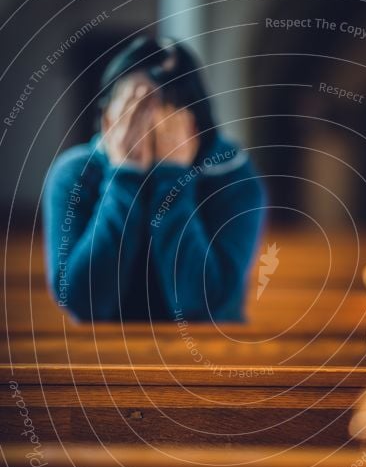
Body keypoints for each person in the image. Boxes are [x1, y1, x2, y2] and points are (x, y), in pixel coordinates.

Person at [43, 36, 265, 322]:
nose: (145, 130)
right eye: (131, 113)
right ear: (107, 121)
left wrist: (172, 178)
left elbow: (202, 306)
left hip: (211, 355)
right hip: (101, 356)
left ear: (194, 126)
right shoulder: (74, 174)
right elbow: (83, 302)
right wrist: (125, 176)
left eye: (162, 117)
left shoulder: (233, 176)